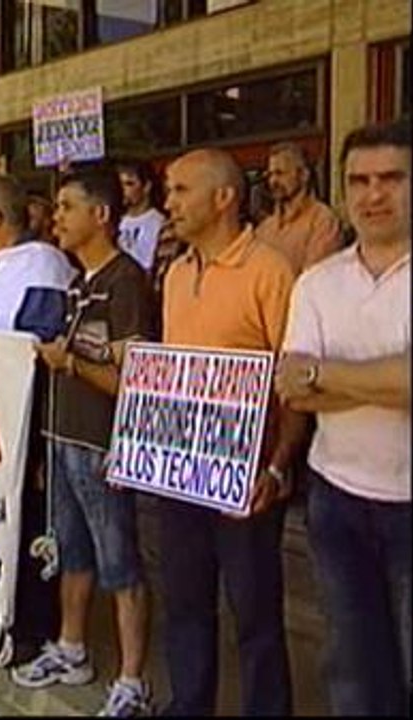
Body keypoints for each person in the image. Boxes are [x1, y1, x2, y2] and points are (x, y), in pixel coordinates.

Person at [159, 148, 303, 716]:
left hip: (247, 479)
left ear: (223, 198)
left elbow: (293, 378)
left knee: (255, 614)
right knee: (186, 604)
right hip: (179, 474)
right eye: (168, 191)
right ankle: (191, 704)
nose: (168, 202)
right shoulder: (174, 272)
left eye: (180, 190)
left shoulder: (270, 271)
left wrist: (277, 463)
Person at [275, 120, 411, 716]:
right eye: (359, 180)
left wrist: (324, 372)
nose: (372, 194)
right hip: (336, 501)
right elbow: (291, 391)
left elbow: (312, 379)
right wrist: (390, 379)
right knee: (354, 671)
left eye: (391, 178)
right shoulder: (316, 283)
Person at [12, 167, 155, 716]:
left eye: (68, 207)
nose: (57, 218)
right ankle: (72, 648)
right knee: (73, 552)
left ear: (102, 214)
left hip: (102, 444)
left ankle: (133, 679)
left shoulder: (125, 282)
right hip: (63, 437)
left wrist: (69, 362)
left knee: (120, 561)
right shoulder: (77, 282)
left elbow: (133, 378)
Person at [0, 175, 77, 667]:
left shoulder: (42, 265)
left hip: (22, 422)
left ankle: (30, 623)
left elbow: (40, 340)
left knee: (27, 522)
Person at [255, 141, 343, 276]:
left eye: (280, 173)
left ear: (303, 175)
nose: (273, 181)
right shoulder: (264, 229)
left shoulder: (323, 221)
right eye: (270, 174)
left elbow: (313, 278)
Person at [116, 160, 166, 273]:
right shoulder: (116, 222)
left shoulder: (158, 223)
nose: (122, 190)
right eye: (120, 184)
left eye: (129, 184)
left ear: (147, 186)